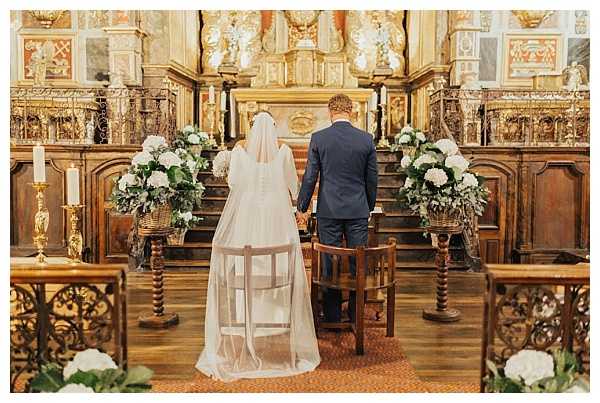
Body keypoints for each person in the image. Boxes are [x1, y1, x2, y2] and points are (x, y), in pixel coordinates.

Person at [196, 112, 320, 382]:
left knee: (247, 258)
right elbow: (293, 185)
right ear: (273, 130)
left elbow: (233, 184)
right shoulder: (285, 152)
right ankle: (277, 319)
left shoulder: (240, 153)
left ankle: (247, 321)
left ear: (252, 131)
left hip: (248, 214)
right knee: (278, 256)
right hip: (277, 215)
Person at [297, 94, 378, 324]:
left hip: (329, 210)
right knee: (357, 261)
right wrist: (368, 205)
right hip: (357, 210)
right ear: (351, 111)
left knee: (329, 262)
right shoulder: (366, 139)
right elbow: (372, 179)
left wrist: (302, 207)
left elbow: (310, 176)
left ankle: (332, 315)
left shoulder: (319, 138)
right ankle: (354, 312)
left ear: (330, 111)